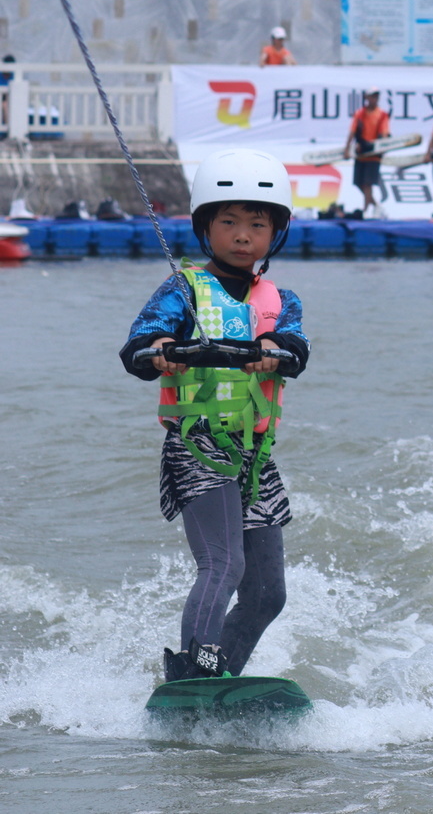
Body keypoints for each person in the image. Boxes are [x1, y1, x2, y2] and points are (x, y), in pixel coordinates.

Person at [120, 148, 311, 683]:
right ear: (207, 227)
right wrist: (157, 348)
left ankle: (217, 675)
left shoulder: (282, 300)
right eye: (229, 222)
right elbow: (139, 342)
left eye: (257, 223)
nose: (243, 235)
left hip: (254, 456)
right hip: (198, 445)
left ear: (275, 233)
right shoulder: (183, 289)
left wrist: (276, 347)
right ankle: (192, 670)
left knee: (267, 593)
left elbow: (296, 347)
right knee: (224, 565)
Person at [343, 87, 390, 218]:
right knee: (359, 183)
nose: (374, 99)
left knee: (368, 183)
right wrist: (347, 149)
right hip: (361, 152)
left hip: (373, 153)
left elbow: (384, 133)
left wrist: (382, 147)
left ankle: (366, 210)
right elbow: (352, 132)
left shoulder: (382, 114)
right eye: (372, 96)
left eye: (376, 96)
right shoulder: (360, 114)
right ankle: (376, 206)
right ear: (367, 98)